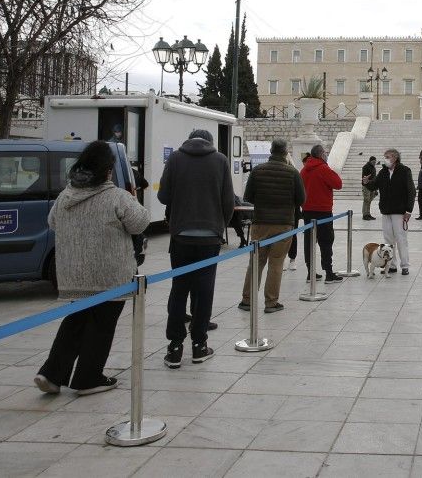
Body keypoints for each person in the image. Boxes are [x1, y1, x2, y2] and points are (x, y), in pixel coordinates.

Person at [34, 141, 150, 395]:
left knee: (74, 322)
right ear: (108, 170)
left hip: (74, 274)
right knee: (101, 326)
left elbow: (52, 222)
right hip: (110, 275)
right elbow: (140, 222)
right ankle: (88, 377)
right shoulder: (115, 196)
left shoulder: (66, 195)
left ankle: (51, 373)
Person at [159, 129, 234, 368]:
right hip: (209, 237)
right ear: (209, 141)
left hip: (181, 236)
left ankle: (174, 347)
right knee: (204, 290)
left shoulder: (175, 159)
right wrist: (220, 226)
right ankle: (199, 344)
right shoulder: (221, 160)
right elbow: (228, 201)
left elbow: (163, 196)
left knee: (179, 290)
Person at [238, 138, 305, 313]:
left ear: (271, 151)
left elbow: (248, 197)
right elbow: (301, 199)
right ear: (285, 152)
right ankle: (271, 302)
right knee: (276, 263)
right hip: (283, 224)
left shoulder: (258, 171)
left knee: (256, 262)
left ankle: (247, 300)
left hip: (260, 223)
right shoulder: (293, 172)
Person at [300, 143, 344, 282]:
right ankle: (329, 272)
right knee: (326, 241)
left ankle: (310, 272)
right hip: (323, 211)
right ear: (321, 154)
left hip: (307, 210)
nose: (327, 154)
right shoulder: (323, 168)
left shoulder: (304, 169)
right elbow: (338, 184)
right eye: (325, 152)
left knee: (309, 241)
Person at [372, 148, 416, 275]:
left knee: (401, 238)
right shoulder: (383, 172)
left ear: (395, 158)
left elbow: (411, 191)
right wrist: (366, 182)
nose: (385, 159)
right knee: (388, 240)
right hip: (386, 211)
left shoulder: (404, 171)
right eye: (385, 156)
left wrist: (409, 210)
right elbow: (375, 185)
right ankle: (391, 265)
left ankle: (405, 265)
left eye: (388, 156)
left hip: (399, 211)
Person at [361, 155, 378, 220]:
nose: (374, 163)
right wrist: (367, 182)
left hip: (372, 186)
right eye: (373, 161)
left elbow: (375, 178)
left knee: (369, 201)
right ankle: (365, 215)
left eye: (375, 162)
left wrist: (376, 188)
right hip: (366, 186)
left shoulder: (373, 168)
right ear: (370, 161)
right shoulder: (365, 167)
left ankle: (368, 213)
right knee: (366, 200)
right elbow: (364, 178)